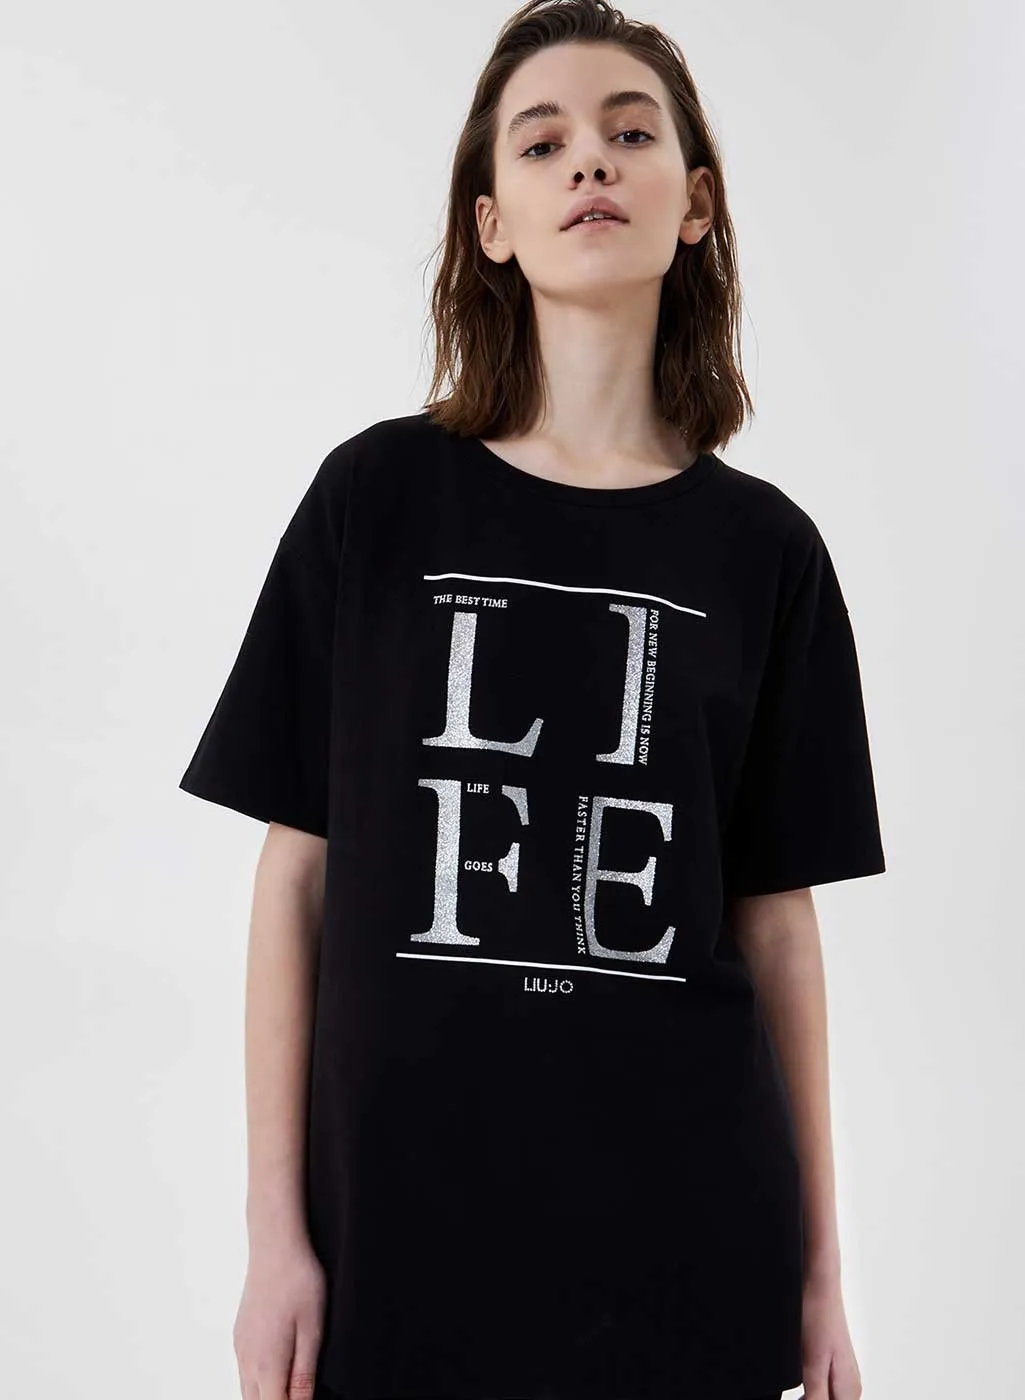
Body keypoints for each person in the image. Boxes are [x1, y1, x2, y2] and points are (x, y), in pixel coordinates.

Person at [178, 2, 885, 1398]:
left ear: (696, 205)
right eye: (544, 141)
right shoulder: (376, 499)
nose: (591, 163)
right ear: (491, 221)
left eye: (631, 133)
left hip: (691, 1254)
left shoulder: (767, 553)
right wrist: (274, 1238)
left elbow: (778, 926)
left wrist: (822, 1276)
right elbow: (297, 876)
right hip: (399, 1254)